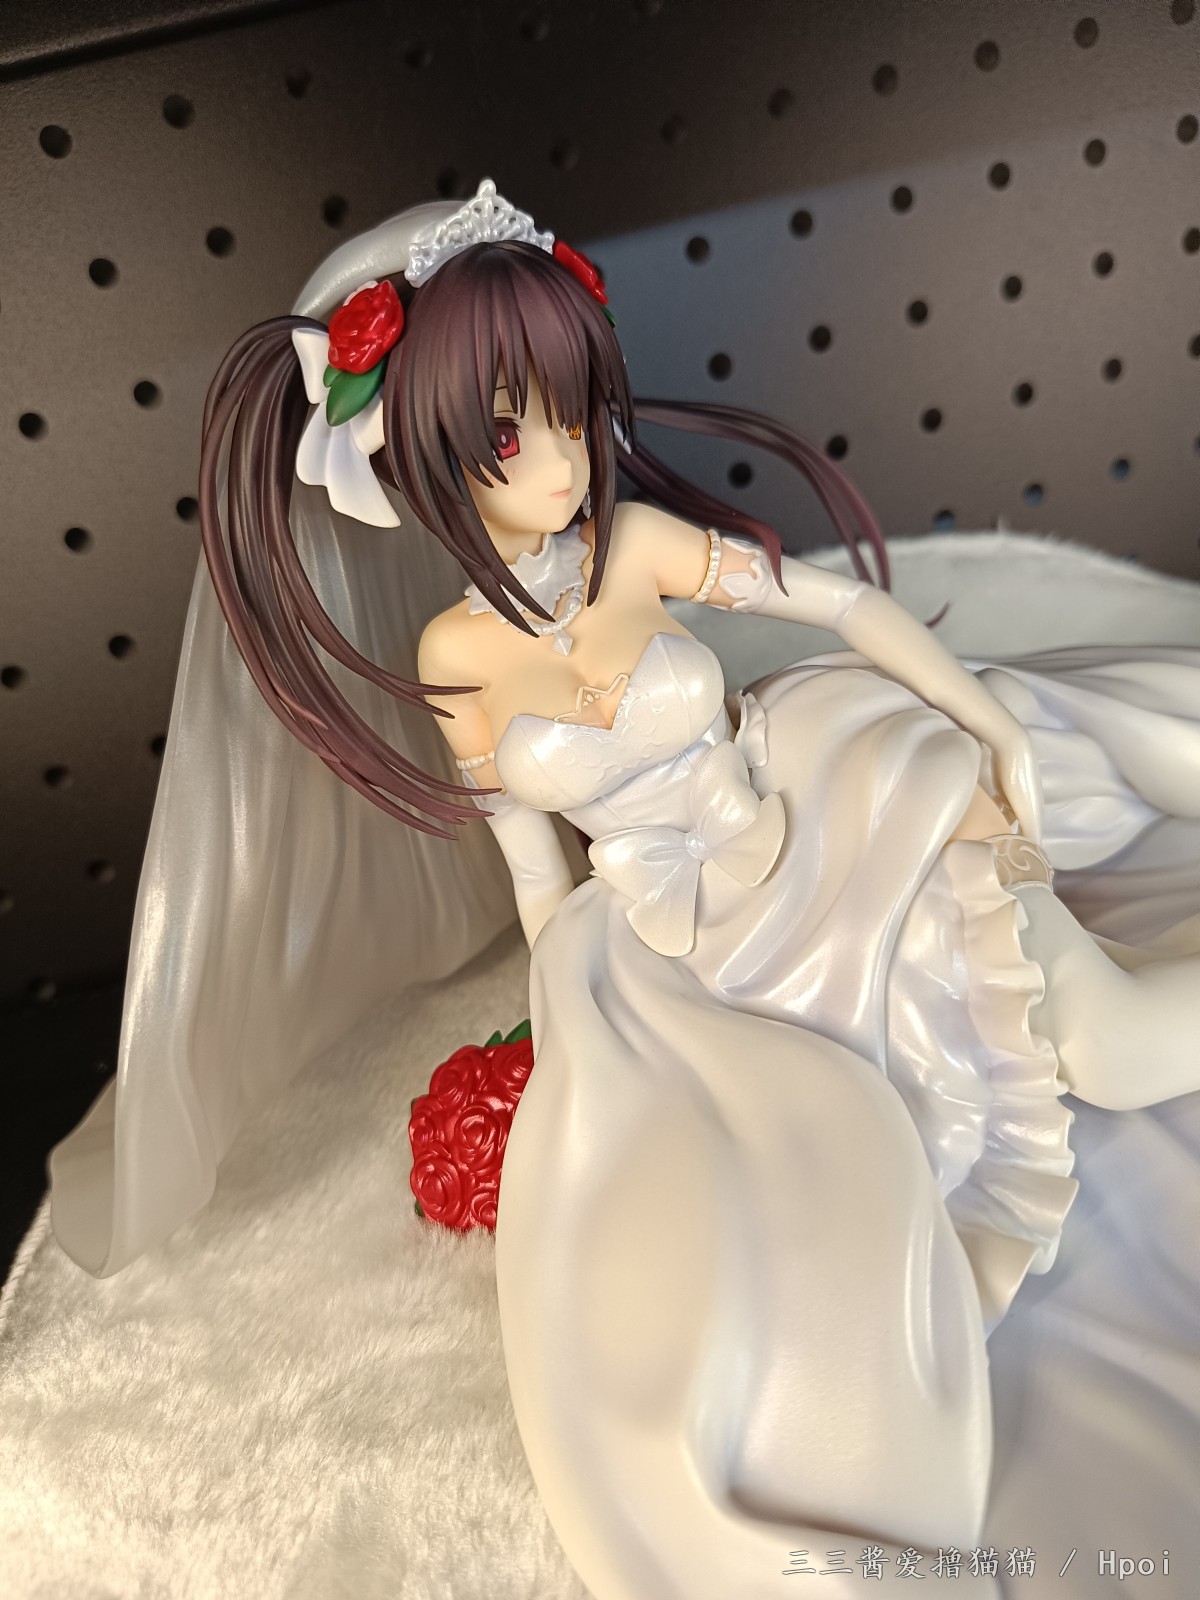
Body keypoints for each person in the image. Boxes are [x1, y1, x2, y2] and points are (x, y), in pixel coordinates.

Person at [48, 179, 1200, 1599]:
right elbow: (529, 854)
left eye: (578, 410)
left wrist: (985, 718)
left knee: (1103, 1043)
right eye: (507, 433)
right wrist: (570, 1028)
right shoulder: (456, 658)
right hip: (681, 941)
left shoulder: (633, 547)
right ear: (421, 463)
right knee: (788, 1231)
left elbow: (839, 605)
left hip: (820, 821)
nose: (562, 460)